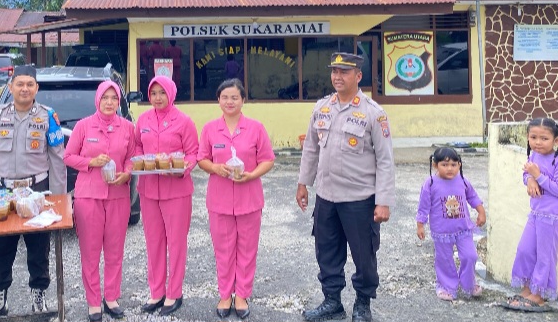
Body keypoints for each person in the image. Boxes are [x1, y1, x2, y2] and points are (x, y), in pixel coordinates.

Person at [296, 52, 395, 322]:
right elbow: (311, 148)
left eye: (345, 72)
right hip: (326, 197)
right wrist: (303, 183)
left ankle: (363, 303)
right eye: (334, 72)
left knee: (364, 256)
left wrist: (383, 201)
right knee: (327, 251)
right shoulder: (321, 108)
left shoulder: (373, 113)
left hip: (359, 199)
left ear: (358, 76)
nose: (337, 77)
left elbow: (385, 160)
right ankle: (332, 301)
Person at [0, 65, 67, 318]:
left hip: (37, 191)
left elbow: (57, 159)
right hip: (3, 194)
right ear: (10, 87)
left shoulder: (48, 117)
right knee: (1, 248)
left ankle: (39, 295)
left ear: (37, 88)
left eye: (30, 84)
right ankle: (0, 298)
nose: (24, 89)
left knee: (39, 247)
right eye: (19, 84)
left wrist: (59, 198)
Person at [197, 79, 275, 320]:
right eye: (225, 97)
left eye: (234, 97)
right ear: (218, 100)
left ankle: (241, 294)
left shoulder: (255, 128)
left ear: (243, 100)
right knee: (223, 249)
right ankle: (224, 294)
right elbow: (202, 158)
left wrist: (252, 174)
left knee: (247, 249)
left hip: (249, 198)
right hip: (219, 200)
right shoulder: (210, 128)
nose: (229, 102)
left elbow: (268, 159)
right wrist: (215, 168)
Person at [64, 81, 136, 322]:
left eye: (114, 98)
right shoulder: (84, 126)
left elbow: (132, 157)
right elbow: (68, 156)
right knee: (90, 251)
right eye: (104, 97)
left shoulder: (127, 127)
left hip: (118, 196)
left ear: (119, 102)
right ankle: (94, 301)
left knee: (115, 251)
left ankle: (112, 297)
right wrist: (90, 163)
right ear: (97, 100)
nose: (109, 102)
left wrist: (127, 173)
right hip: (88, 196)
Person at [134, 75, 199, 316]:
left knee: (176, 243)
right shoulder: (143, 119)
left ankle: (174, 292)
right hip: (149, 190)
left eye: (162, 92)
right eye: (153, 93)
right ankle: (156, 291)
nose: (158, 98)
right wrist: (142, 160)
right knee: (154, 243)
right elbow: (137, 146)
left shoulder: (183, 121)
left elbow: (194, 152)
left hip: (177, 191)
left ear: (171, 93)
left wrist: (183, 168)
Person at [416, 147, 486, 301]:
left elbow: (473, 197)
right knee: (445, 260)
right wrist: (420, 224)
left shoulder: (462, 180)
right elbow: (423, 206)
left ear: (459, 165)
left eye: (454, 165)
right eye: (445, 165)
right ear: (435, 165)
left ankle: (468, 284)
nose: (450, 168)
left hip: (463, 230)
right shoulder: (430, 183)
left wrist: (481, 212)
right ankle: (446, 286)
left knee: (470, 256)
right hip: (442, 232)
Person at [503, 117, 558, 312]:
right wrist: (530, 180)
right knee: (525, 250)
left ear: (555, 141)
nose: (538, 142)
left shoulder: (556, 160)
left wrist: (538, 176)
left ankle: (539, 294)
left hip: (551, 218)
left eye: (544, 138)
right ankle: (528, 288)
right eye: (533, 137)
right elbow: (526, 174)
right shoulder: (533, 155)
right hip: (535, 214)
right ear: (527, 138)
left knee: (545, 256)